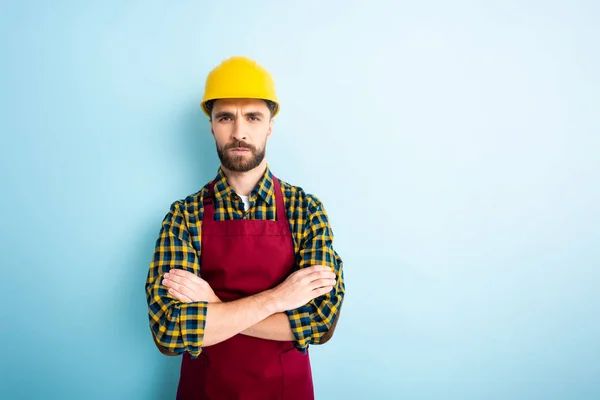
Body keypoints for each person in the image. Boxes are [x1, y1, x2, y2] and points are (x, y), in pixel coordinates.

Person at [144, 56, 346, 400]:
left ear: (270, 125)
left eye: (253, 117)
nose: (239, 132)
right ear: (211, 126)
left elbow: (320, 321)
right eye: (226, 117)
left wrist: (214, 306)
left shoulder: (305, 210)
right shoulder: (184, 216)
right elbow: (170, 331)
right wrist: (280, 299)